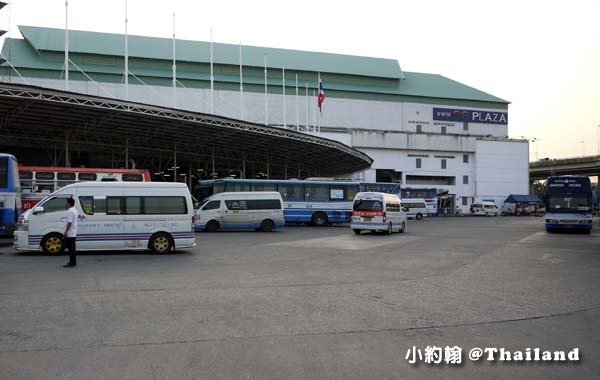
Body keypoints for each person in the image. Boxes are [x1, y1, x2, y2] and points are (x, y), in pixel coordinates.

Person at [62, 198, 78, 268]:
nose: (65, 204)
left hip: (70, 233)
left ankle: (72, 263)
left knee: (71, 249)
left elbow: (69, 222)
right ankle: (73, 262)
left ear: (69, 203)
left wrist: (65, 232)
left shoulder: (70, 211)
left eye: (66, 203)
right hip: (73, 232)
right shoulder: (74, 210)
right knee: (72, 248)